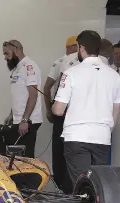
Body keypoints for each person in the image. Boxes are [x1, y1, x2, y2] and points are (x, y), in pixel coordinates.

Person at [52, 30, 120, 187]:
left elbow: (58, 110)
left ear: (81, 47)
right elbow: (117, 106)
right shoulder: (113, 75)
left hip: (76, 137)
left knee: (81, 187)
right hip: (102, 137)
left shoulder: (71, 73)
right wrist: (108, 128)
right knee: (99, 186)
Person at [43, 36, 78, 192]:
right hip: (62, 111)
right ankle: (60, 183)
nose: (76, 50)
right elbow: (47, 87)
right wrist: (49, 109)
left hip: (73, 112)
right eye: (74, 46)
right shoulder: (60, 62)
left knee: (69, 148)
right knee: (59, 148)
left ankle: (69, 184)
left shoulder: (83, 62)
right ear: (68, 47)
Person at [2, 40, 43, 158]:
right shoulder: (16, 68)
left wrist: (25, 120)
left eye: (7, 54)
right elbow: (18, 94)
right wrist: (11, 114)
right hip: (18, 120)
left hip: (28, 121)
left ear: (16, 49)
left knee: (25, 158)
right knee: (15, 157)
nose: (5, 57)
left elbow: (33, 95)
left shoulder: (29, 67)